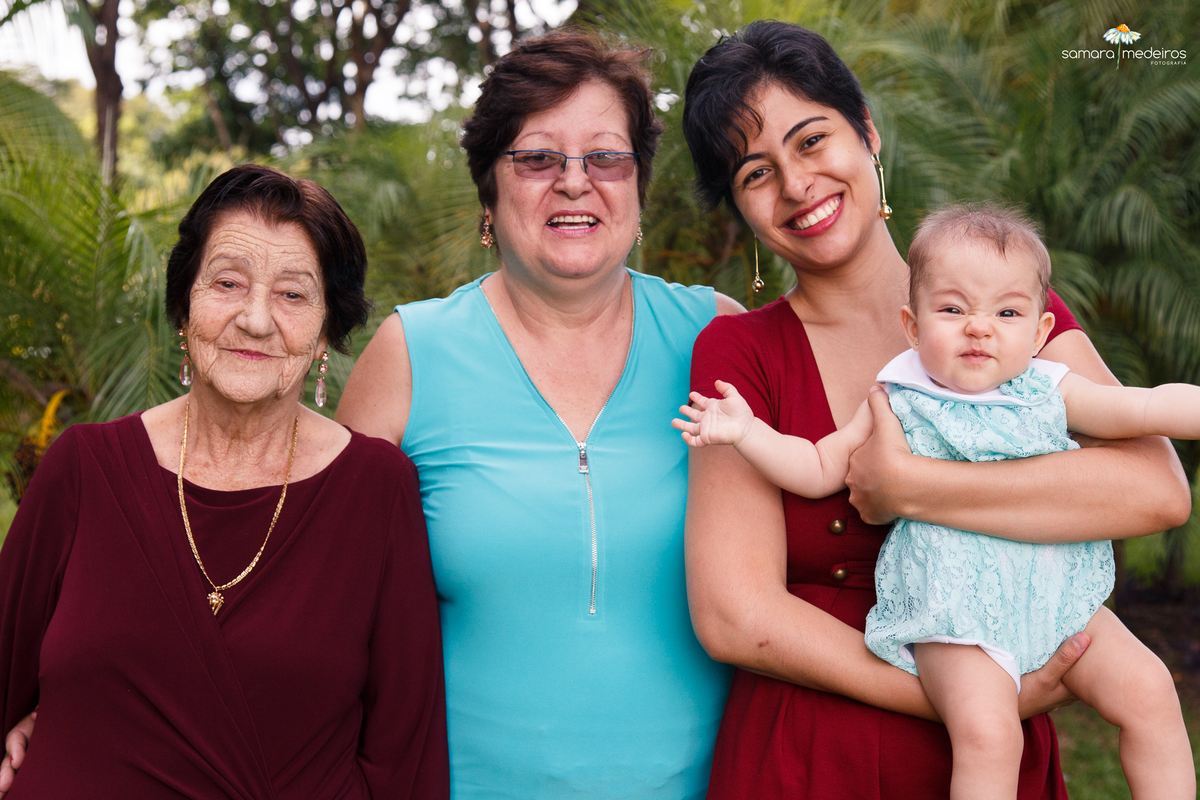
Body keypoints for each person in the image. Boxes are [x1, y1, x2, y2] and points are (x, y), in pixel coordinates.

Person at [679, 21, 1191, 798]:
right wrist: (973, 702)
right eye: (756, 173)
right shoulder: (738, 351)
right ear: (739, 208)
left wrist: (911, 488)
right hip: (812, 756)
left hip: (1003, 727)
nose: (797, 184)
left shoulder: (1008, 311)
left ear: (868, 133)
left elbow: (1156, 492)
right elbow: (733, 615)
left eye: (812, 141)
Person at [334, 30, 739, 799]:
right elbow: (324, 604)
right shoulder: (411, 353)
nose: (575, 182)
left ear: (639, 187)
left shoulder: (715, 337)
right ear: (489, 193)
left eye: (606, 157)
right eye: (537, 158)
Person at [0, 164, 449, 799]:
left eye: (293, 295)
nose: (256, 320)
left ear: (327, 329)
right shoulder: (82, 468)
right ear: (184, 306)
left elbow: (406, 755)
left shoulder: (377, 489)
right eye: (228, 283)